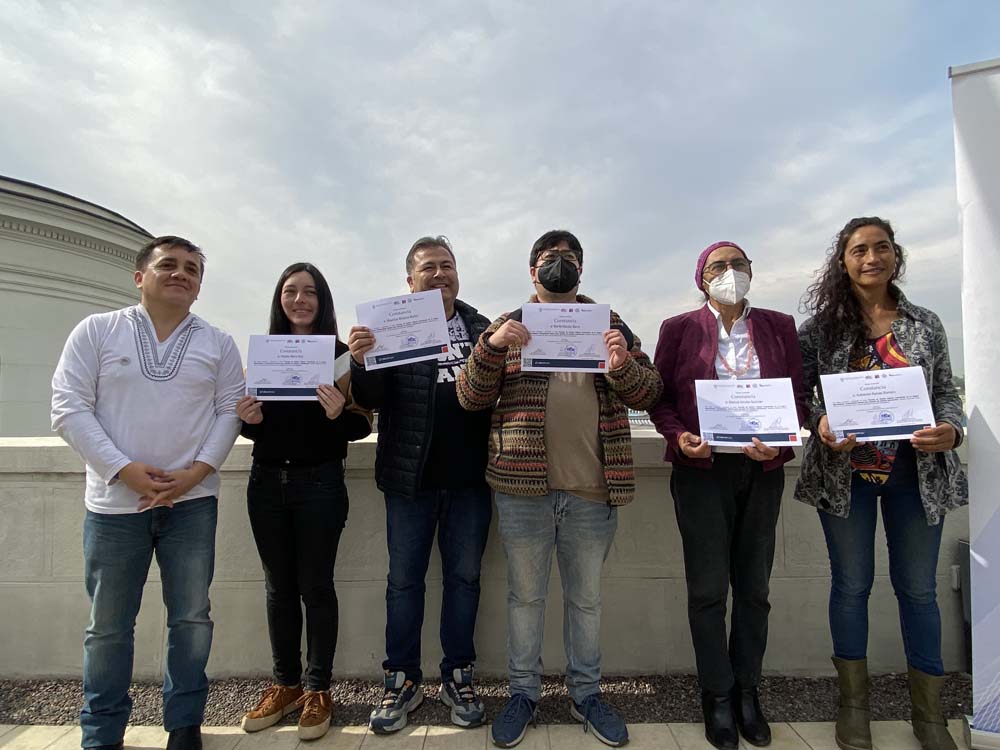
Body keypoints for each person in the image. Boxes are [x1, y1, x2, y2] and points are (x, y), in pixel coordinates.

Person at [457, 229, 663, 749]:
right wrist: (491, 347)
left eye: (570, 257)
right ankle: (522, 694)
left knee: (586, 601)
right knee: (525, 599)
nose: (560, 264)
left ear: (581, 269)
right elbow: (469, 397)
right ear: (533, 271)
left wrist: (623, 365)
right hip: (523, 490)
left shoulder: (610, 324)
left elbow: (649, 392)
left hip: (592, 490)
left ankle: (585, 694)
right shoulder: (508, 325)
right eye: (550, 257)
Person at [51, 236, 244, 750]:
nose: (181, 274)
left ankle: (184, 724)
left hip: (192, 503)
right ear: (140, 276)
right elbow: (68, 407)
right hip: (115, 505)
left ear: (199, 287)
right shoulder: (97, 331)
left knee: (191, 619)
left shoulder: (218, 343)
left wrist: (195, 473)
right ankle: (102, 731)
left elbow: (230, 411)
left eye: (192, 269)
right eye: (169, 265)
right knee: (108, 626)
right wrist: (122, 470)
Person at [796, 217, 967, 750]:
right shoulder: (820, 330)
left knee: (919, 590)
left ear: (896, 255)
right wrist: (821, 422)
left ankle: (930, 715)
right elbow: (800, 395)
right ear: (842, 261)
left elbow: (946, 391)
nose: (872, 257)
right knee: (851, 587)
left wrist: (952, 429)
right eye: (859, 250)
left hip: (916, 476)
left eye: (882, 247)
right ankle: (853, 708)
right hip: (845, 476)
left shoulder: (925, 323)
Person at [649, 242, 807, 750]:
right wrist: (679, 436)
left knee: (755, 589)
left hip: (761, 472)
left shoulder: (780, 326)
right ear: (702, 278)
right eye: (718, 266)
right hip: (702, 473)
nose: (729, 273)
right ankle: (717, 694)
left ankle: (747, 691)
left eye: (738, 264)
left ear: (751, 272)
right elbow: (661, 400)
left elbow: (797, 398)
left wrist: (780, 443)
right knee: (708, 590)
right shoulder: (678, 328)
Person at [347, 236, 493, 733]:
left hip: (471, 481)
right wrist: (361, 360)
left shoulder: (482, 329)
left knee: (465, 580)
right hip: (409, 480)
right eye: (428, 267)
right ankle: (402, 679)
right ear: (410, 281)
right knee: (404, 582)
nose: (439, 274)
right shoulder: (390, 326)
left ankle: (458, 674)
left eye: (447, 265)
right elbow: (371, 399)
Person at [236, 263, 372, 740]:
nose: (299, 300)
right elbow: (253, 428)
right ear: (279, 299)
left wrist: (337, 414)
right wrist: (247, 418)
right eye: (290, 291)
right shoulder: (263, 355)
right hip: (266, 483)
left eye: (309, 292)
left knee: (316, 586)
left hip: (320, 484)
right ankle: (285, 684)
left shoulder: (340, 357)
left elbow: (361, 424)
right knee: (278, 587)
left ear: (322, 301)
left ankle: (317, 689)